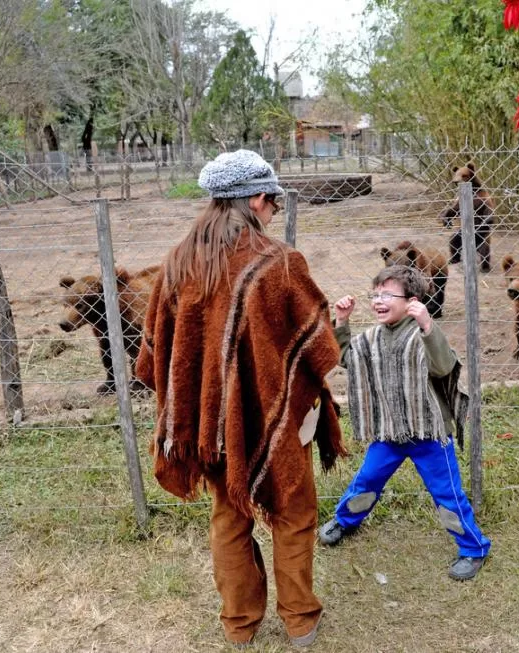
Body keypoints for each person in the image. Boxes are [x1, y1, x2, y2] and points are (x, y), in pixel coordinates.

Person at [136, 149, 346, 648]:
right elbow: (314, 346)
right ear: (255, 199)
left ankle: (239, 625)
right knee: (294, 512)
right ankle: (300, 620)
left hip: (206, 427)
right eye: (272, 201)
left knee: (229, 515)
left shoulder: (176, 263)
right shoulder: (279, 262)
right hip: (275, 418)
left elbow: (155, 353)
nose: (273, 211)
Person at [318, 265, 491, 580]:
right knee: (367, 480)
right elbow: (346, 357)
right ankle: (345, 521)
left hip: (429, 435)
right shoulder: (372, 338)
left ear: (412, 301)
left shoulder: (423, 335)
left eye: (387, 294)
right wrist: (341, 322)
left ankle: (473, 548)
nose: (378, 300)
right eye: (376, 294)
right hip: (389, 435)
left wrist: (427, 324)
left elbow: (443, 367)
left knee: (447, 493)